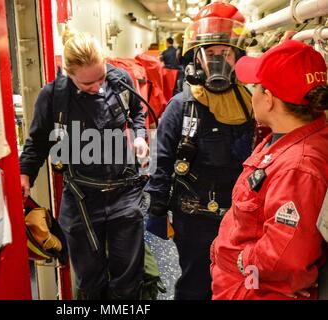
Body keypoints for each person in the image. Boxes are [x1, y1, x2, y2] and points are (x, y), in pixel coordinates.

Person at [19, 31, 149, 300]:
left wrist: (139, 136)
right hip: (81, 200)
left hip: (125, 193)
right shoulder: (53, 96)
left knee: (128, 279)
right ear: (69, 73)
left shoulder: (120, 79)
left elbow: (138, 112)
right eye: (89, 83)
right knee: (90, 281)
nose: (98, 86)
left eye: (101, 77)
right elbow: (39, 141)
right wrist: (24, 174)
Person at [144, 2, 254, 300]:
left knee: (236, 283)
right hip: (193, 218)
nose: (218, 60)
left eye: (225, 52)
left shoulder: (252, 104)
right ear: (198, 58)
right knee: (195, 284)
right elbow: (163, 160)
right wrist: (156, 208)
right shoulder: (181, 106)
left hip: (240, 218)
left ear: (238, 56)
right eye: (211, 53)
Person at [211, 40, 328, 300]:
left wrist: (237, 260)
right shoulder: (291, 136)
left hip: (256, 289)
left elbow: (285, 257)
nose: (251, 94)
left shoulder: (298, 168)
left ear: (269, 99)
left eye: (255, 87)